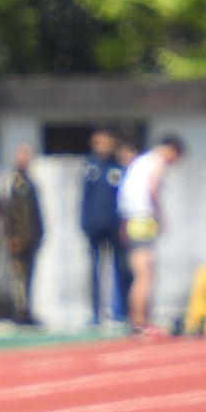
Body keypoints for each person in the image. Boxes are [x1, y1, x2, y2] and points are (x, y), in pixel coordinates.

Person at [117, 134, 185, 336]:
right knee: (145, 274)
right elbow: (153, 189)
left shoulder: (140, 162)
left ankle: (138, 321)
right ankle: (140, 322)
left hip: (131, 219)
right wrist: (160, 217)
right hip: (143, 220)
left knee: (141, 273)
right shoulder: (156, 162)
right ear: (171, 149)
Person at [81, 128, 129, 325]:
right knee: (94, 269)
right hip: (94, 224)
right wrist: (84, 222)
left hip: (114, 225)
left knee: (120, 268)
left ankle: (120, 310)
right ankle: (95, 312)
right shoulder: (90, 167)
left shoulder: (117, 167)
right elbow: (84, 198)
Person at [1, 142, 45, 325]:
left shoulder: (31, 181)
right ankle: (19, 313)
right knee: (18, 277)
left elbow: (35, 211)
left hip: (31, 239)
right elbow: (6, 211)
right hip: (16, 239)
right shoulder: (11, 181)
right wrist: (11, 235)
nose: (24, 159)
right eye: (21, 155)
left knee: (29, 277)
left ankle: (27, 311)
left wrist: (38, 233)